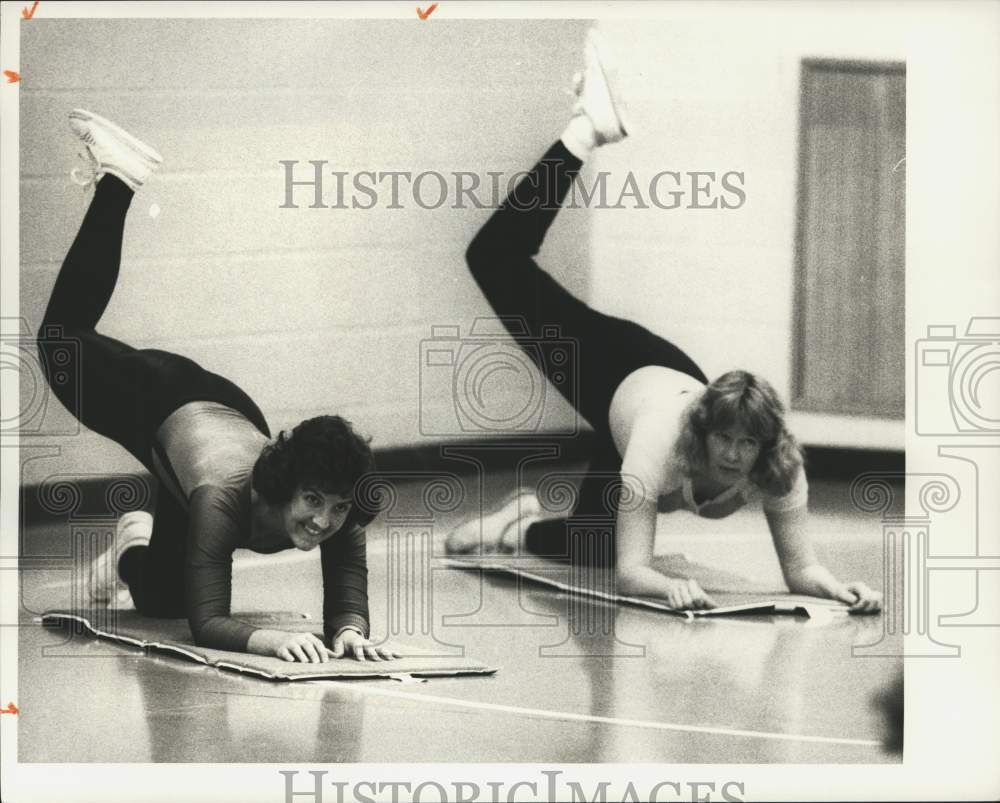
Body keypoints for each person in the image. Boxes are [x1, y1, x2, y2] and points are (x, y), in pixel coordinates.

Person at [445, 30, 883, 614]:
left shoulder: (781, 466)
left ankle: (514, 525)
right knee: (494, 258)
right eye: (723, 439)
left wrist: (837, 587)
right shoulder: (663, 445)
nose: (731, 455)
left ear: (766, 446)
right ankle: (586, 129)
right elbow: (634, 575)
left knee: (593, 543)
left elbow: (801, 569)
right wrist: (664, 586)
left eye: (744, 444)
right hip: (615, 367)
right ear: (702, 433)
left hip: (654, 396)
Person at [39, 108, 398, 662]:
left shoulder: (338, 503)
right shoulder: (222, 498)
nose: (324, 521)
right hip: (161, 398)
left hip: (223, 425)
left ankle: (136, 536)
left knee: (161, 599)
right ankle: (119, 180)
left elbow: (347, 591)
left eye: (337, 507)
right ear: (286, 485)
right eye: (311, 501)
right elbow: (209, 624)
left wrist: (349, 630)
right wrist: (269, 640)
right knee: (62, 340)